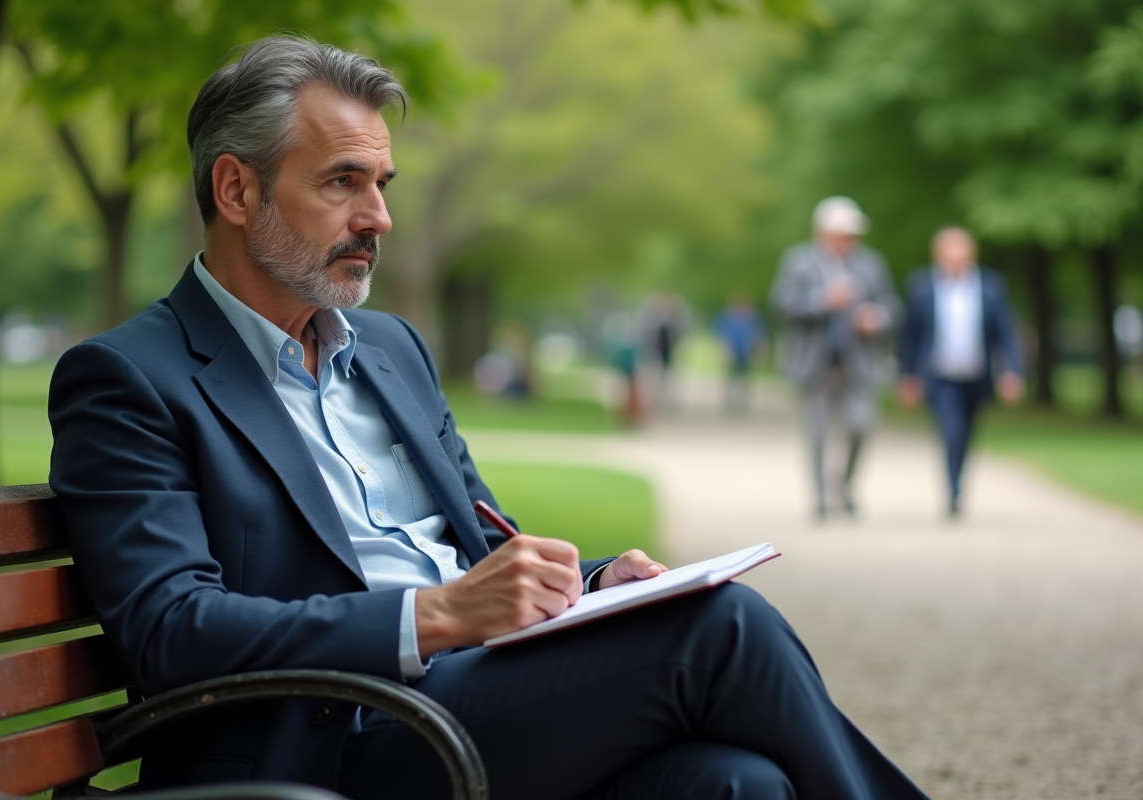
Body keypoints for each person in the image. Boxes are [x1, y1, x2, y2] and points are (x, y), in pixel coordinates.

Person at [48, 37, 930, 800]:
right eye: (343, 183)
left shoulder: (390, 349)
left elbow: (477, 545)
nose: (379, 217)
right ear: (236, 191)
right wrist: (430, 619)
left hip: (467, 700)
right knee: (720, 632)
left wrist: (588, 585)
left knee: (738, 784)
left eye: (383, 183)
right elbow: (170, 632)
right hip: (324, 744)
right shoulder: (130, 379)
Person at [770, 197, 901, 518]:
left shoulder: (871, 264)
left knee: (861, 426)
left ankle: (844, 485)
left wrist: (877, 318)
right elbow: (781, 304)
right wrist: (822, 301)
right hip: (814, 365)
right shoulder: (798, 261)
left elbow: (893, 307)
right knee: (816, 434)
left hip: (858, 364)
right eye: (843, 233)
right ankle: (819, 499)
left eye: (853, 234)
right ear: (823, 233)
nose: (849, 240)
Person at [898, 227, 1024, 516]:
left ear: (971, 254)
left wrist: (1012, 372)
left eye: (961, 252)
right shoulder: (921, 286)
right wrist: (908, 377)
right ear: (938, 255)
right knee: (951, 431)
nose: (955, 258)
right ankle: (953, 492)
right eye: (949, 252)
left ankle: (958, 481)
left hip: (977, 376)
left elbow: (1005, 333)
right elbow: (910, 336)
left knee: (967, 433)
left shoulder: (991, 286)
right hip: (939, 376)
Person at [713, 293, 765, 413]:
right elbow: (720, 336)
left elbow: (759, 336)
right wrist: (724, 351)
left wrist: (758, 351)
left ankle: (742, 403)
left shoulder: (753, 318)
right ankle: (730, 402)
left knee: (745, 379)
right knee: (731, 378)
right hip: (732, 353)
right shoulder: (725, 317)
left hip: (747, 353)